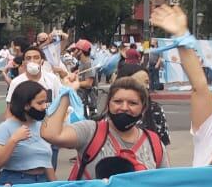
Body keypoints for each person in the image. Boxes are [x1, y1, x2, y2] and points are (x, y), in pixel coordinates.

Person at [40, 71, 168, 178]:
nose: (124, 107)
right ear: (108, 105)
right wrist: (66, 93)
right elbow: (50, 134)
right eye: (117, 101)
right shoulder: (90, 131)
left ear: (143, 108)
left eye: (132, 103)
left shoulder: (154, 143)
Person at [0, 81, 55, 186]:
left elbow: (46, 162)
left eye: (45, 102)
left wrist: (56, 186)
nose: (44, 107)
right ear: (25, 105)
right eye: (39, 103)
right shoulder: (5, 128)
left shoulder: (41, 126)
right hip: (16, 181)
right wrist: (14, 140)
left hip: (42, 181)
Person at [113, 63, 170, 146]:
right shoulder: (113, 110)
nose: (145, 87)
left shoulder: (155, 109)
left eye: (147, 82)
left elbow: (163, 146)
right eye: (137, 83)